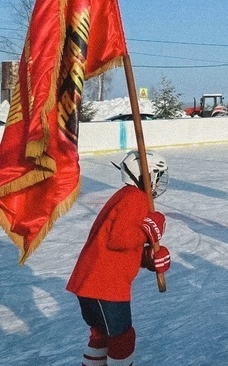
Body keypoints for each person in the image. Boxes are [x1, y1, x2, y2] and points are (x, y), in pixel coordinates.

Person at [67, 150, 171, 366]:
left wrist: (149, 258)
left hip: (93, 283)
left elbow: (118, 245)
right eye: (156, 176)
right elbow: (120, 240)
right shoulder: (135, 199)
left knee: (102, 336)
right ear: (144, 175)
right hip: (104, 285)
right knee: (122, 338)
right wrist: (151, 229)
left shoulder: (126, 196)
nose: (158, 182)